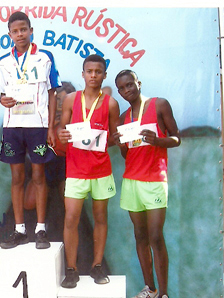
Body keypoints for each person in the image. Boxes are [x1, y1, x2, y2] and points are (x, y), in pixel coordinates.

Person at [0, 11, 61, 249]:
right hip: (13, 126)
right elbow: (2, 95)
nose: (20, 34)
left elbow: (53, 94)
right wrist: (4, 101)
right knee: (17, 178)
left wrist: (51, 126)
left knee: (39, 176)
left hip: (38, 126)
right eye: (15, 31)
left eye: (24, 29)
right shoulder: (3, 62)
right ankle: (20, 229)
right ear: (9, 34)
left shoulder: (45, 57)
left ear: (31, 30)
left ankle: (41, 229)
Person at [113, 70, 180, 298]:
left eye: (129, 85)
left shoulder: (159, 105)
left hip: (155, 180)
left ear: (138, 83)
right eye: (121, 88)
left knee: (155, 237)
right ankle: (149, 289)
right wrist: (121, 143)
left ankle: (164, 293)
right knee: (140, 236)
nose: (126, 90)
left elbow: (177, 138)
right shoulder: (123, 117)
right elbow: (127, 155)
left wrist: (158, 141)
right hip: (132, 180)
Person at [58, 54, 120, 288]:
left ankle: (96, 266)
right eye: (89, 71)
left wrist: (104, 139)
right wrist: (63, 135)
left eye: (98, 72)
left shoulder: (111, 103)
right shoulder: (70, 100)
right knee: (71, 218)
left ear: (104, 75)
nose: (93, 75)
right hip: (75, 170)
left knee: (100, 218)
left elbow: (114, 138)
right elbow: (62, 132)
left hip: (101, 170)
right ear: (82, 74)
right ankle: (71, 269)